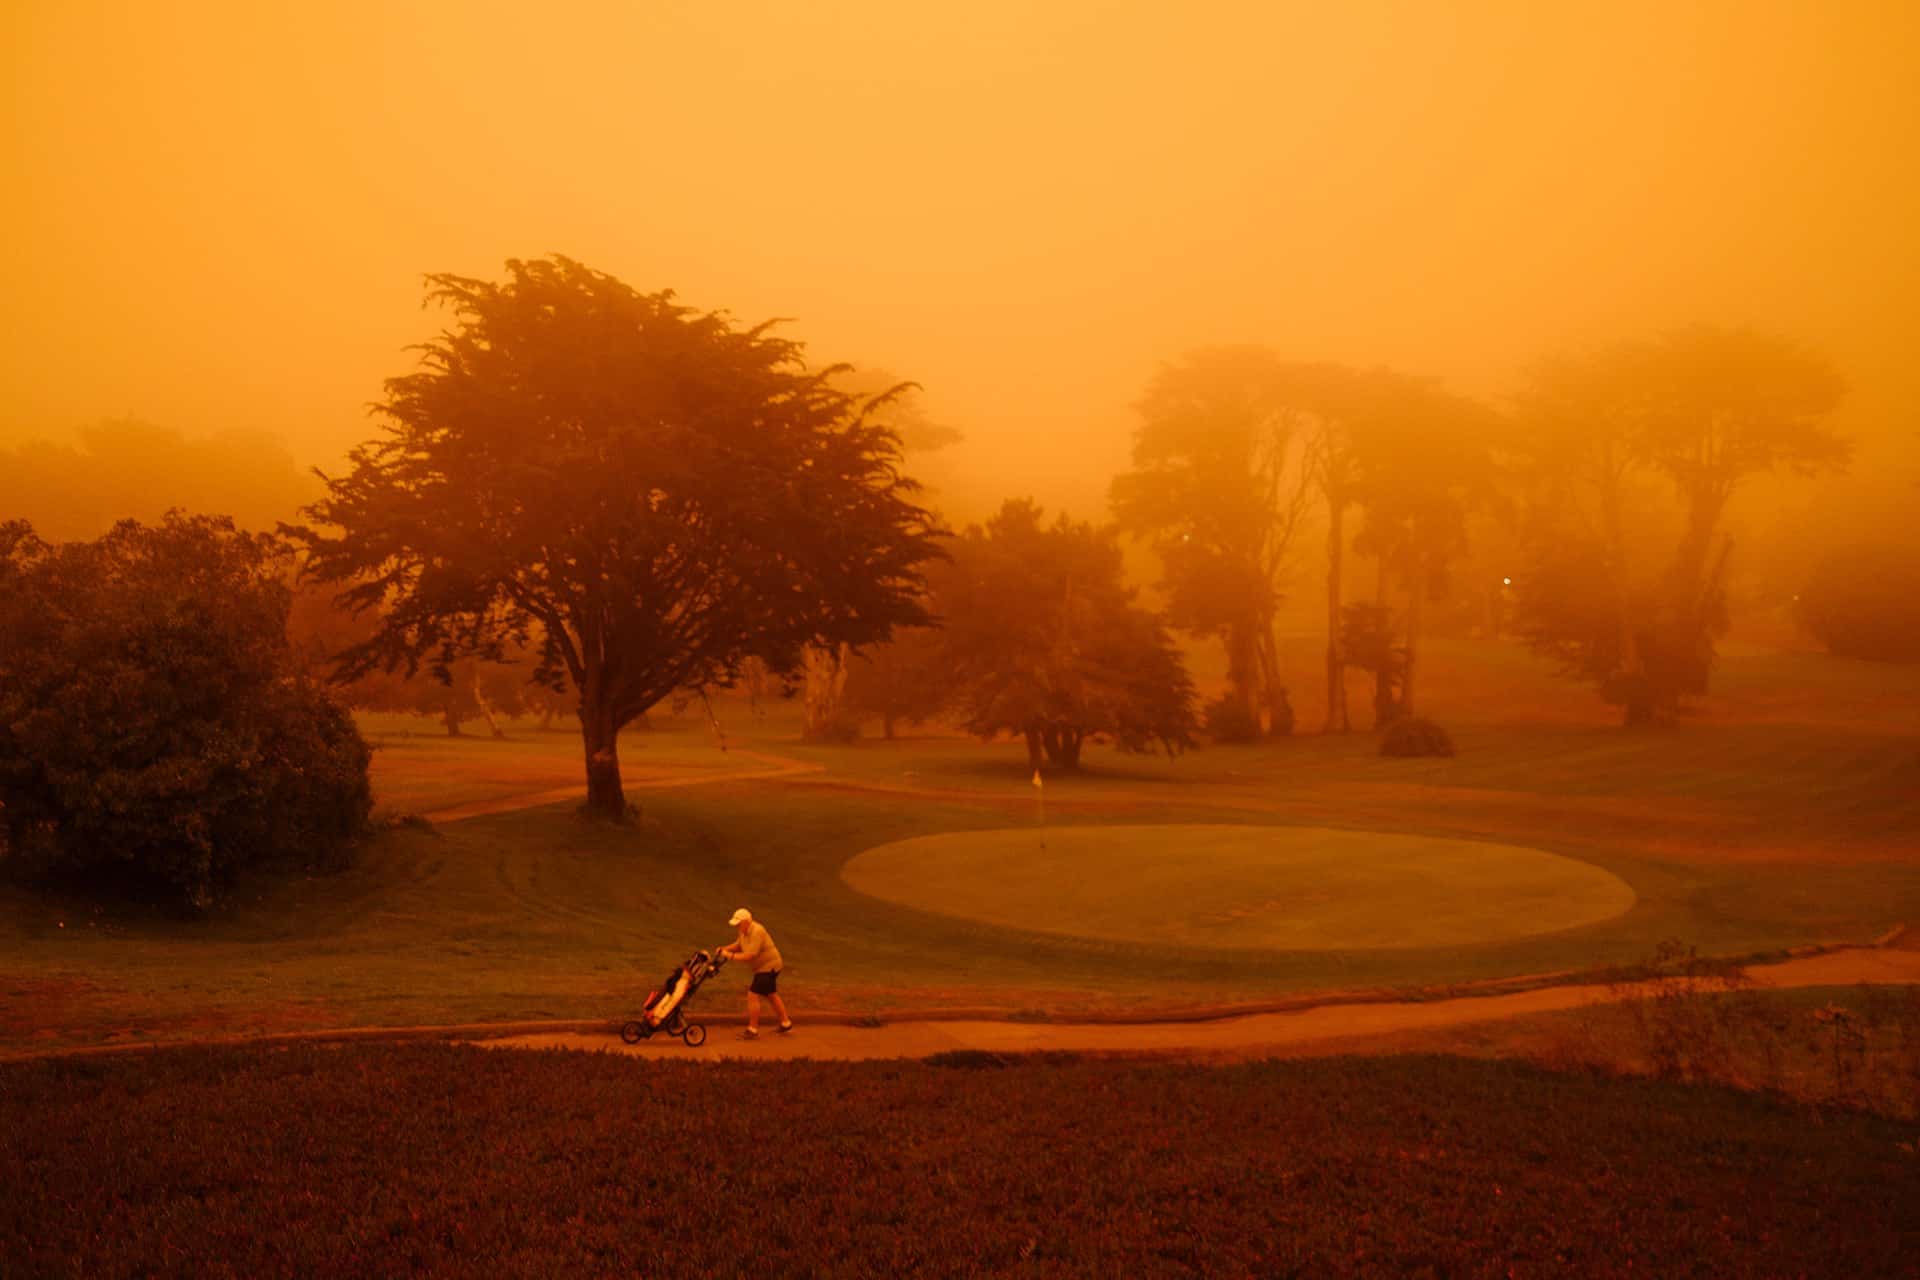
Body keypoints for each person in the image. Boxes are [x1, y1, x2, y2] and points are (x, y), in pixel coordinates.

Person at [718, 907, 791, 1039]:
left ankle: (753, 1029)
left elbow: (750, 955)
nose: (737, 927)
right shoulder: (743, 931)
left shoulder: (757, 931)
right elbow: (738, 944)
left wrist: (730, 956)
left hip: (769, 967)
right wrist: (724, 948)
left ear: (746, 922)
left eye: (738, 924)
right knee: (771, 994)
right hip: (764, 967)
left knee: (752, 994)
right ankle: (786, 1023)